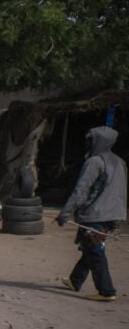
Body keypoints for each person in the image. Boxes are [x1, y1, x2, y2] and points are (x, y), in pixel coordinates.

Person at [56, 125, 127, 301]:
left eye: (90, 140)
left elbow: (81, 190)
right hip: (112, 215)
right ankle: (75, 281)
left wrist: (65, 213)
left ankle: (106, 291)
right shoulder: (119, 162)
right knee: (90, 246)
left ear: (99, 141)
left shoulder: (94, 162)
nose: (87, 143)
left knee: (95, 250)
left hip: (95, 213)